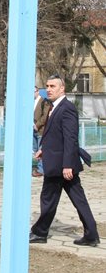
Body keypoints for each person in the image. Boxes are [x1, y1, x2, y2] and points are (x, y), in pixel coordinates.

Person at [30, 75, 100, 247]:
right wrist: (43, 149)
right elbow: (55, 135)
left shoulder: (66, 108)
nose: (49, 89)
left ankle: (40, 232)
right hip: (58, 162)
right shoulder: (54, 107)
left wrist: (68, 165)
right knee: (76, 200)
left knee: (48, 198)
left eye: (53, 86)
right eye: (47, 86)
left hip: (61, 165)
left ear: (62, 89)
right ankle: (91, 235)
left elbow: (70, 139)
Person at [32, 86, 51, 177]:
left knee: (41, 150)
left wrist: (37, 125)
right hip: (32, 130)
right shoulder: (32, 102)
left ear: (37, 91)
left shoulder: (44, 101)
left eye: (33, 91)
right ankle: (41, 167)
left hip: (40, 130)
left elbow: (45, 116)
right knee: (36, 150)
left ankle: (41, 169)